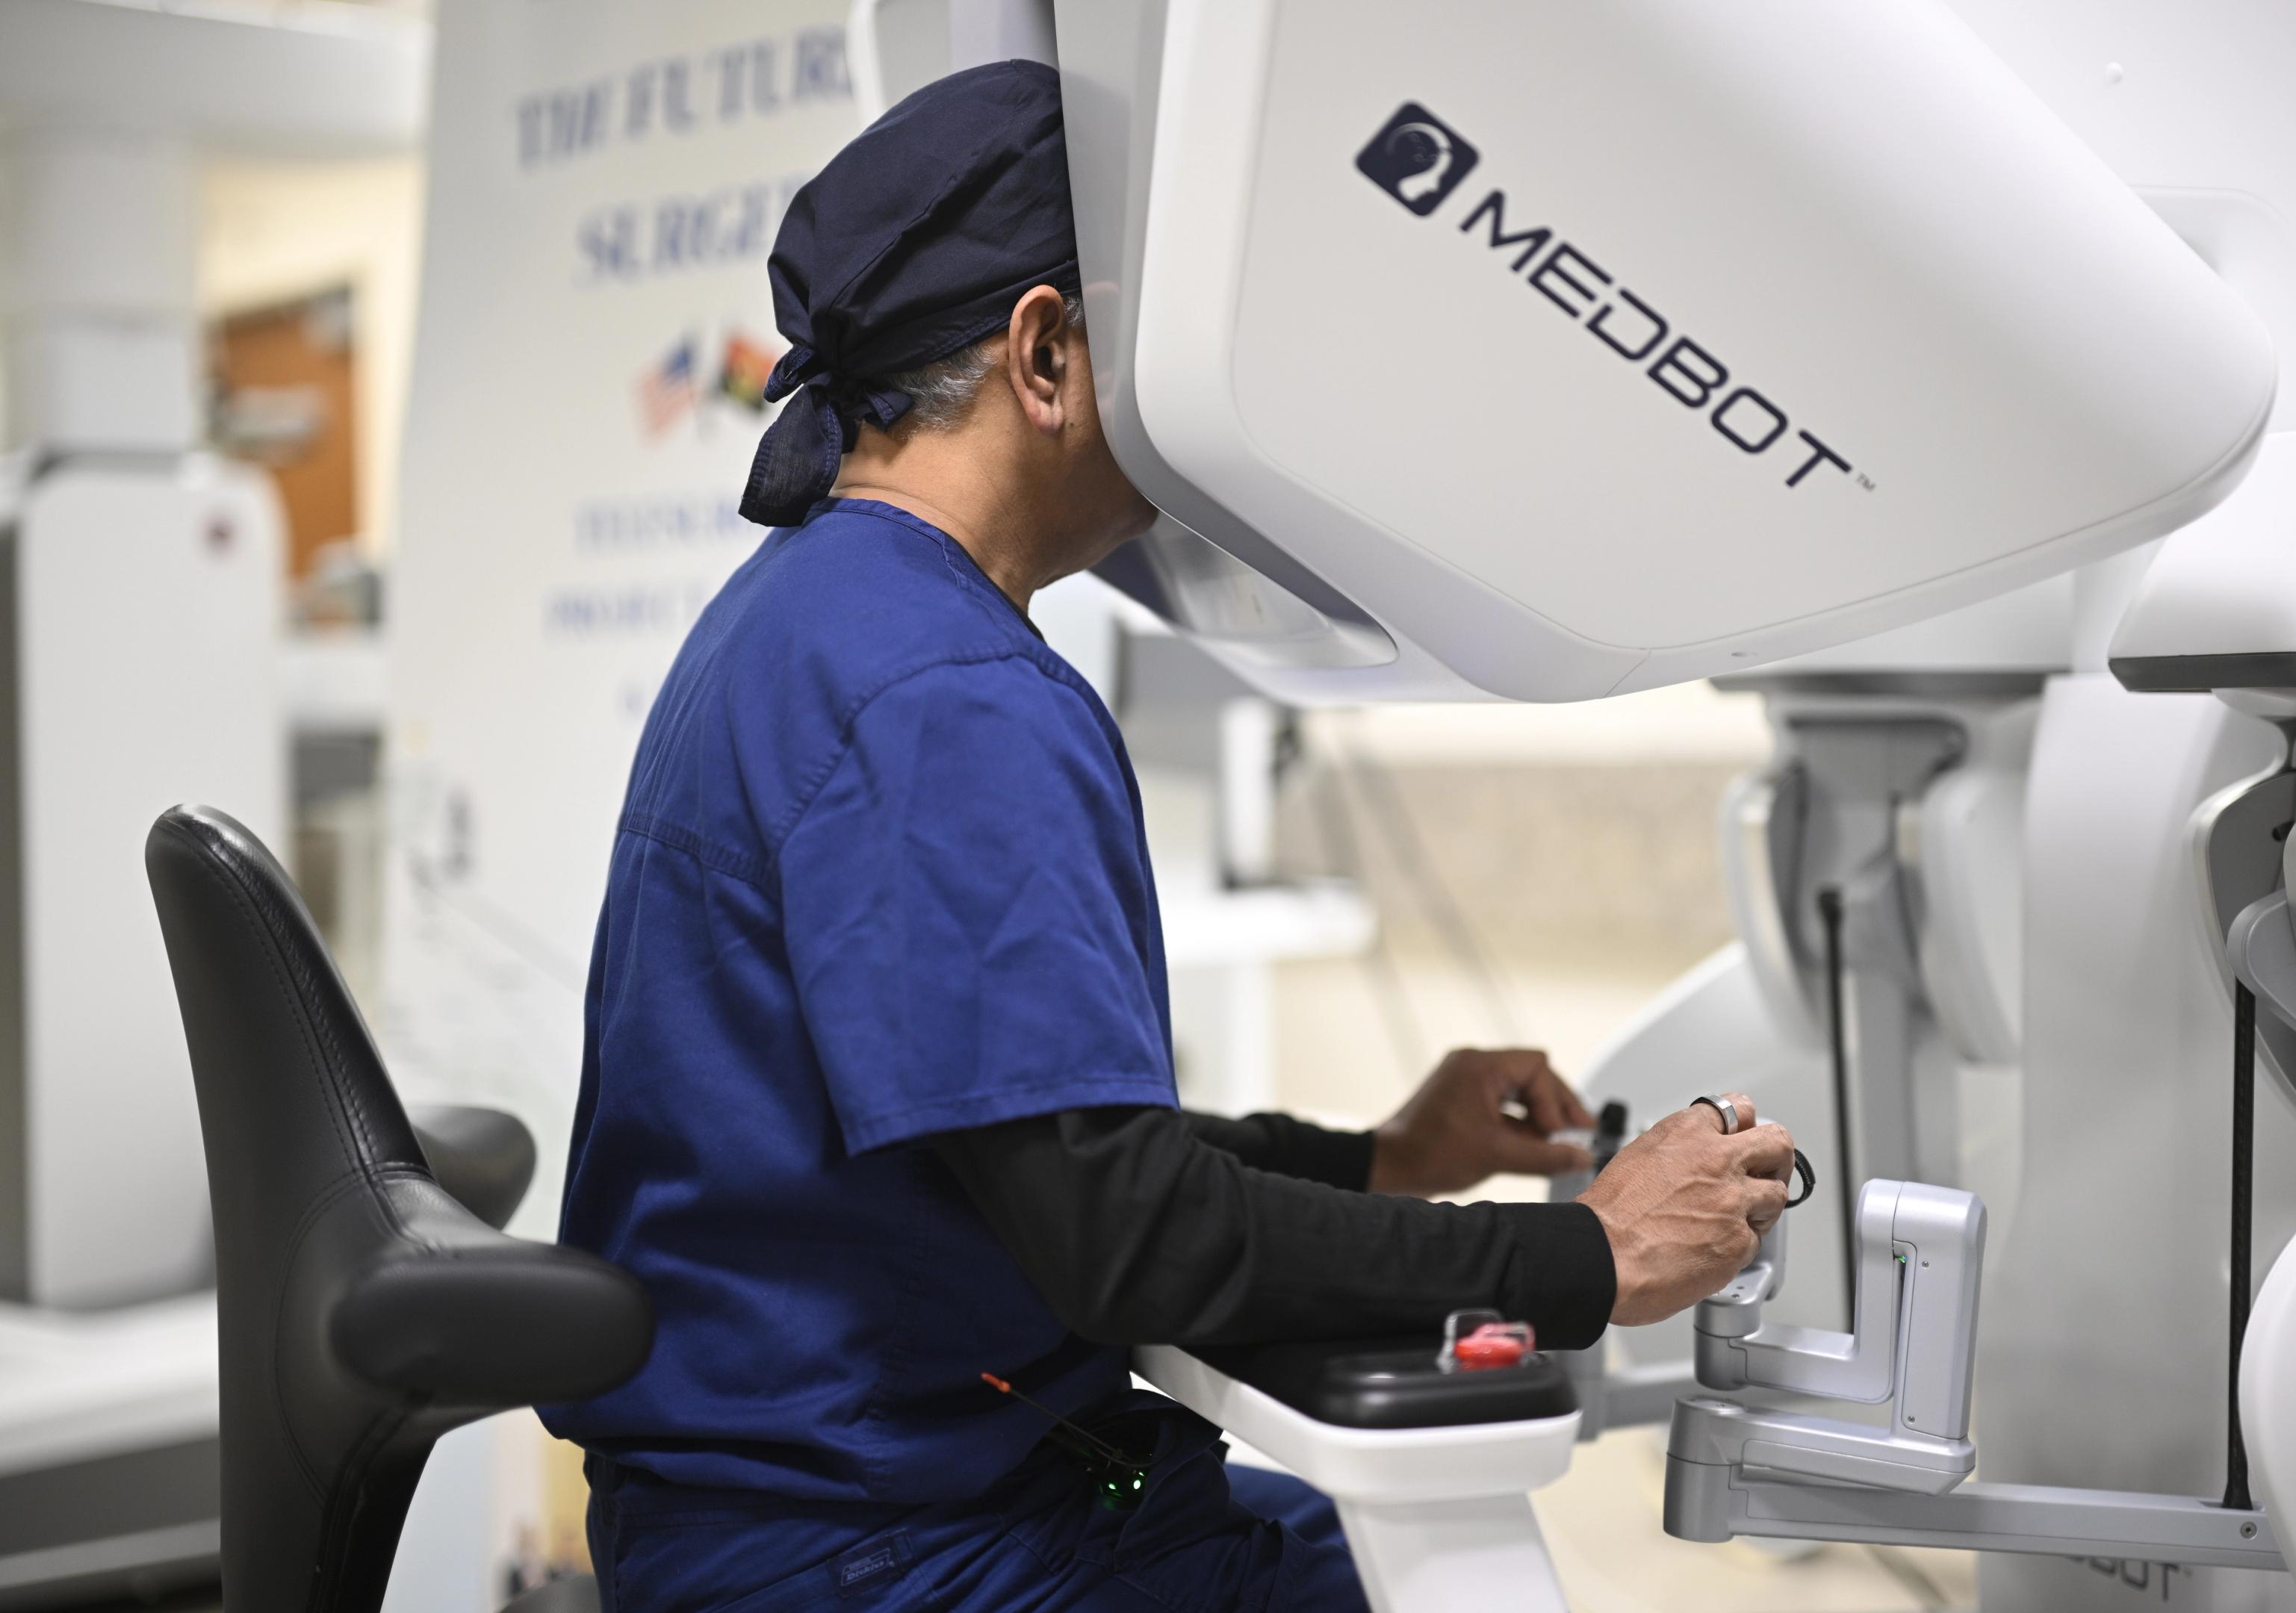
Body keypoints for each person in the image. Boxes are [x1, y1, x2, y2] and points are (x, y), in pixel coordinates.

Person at [544, 60, 1796, 1612]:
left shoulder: (808, 615)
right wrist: (1584, 1260)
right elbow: (1125, 1241)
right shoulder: (951, 695)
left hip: (802, 1506)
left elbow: (1023, 1153)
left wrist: (1384, 1157)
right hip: (890, 1551)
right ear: (1050, 350)